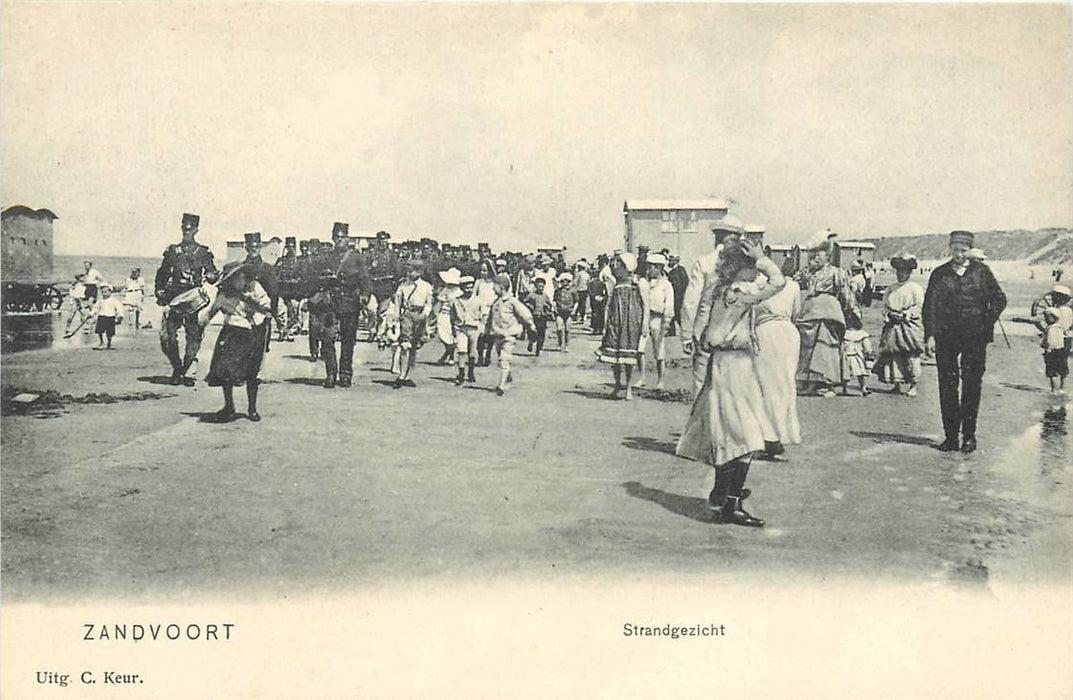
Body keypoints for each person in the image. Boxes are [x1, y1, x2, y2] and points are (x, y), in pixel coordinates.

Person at [675, 238, 786, 527]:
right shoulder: (740, 290)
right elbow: (778, 281)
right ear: (743, 267)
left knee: (727, 430)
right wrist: (763, 258)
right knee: (746, 434)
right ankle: (732, 504)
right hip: (735, 364)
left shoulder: (723, 289)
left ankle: (722, 492)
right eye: (752, 267)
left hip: (725, 363)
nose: (757, 274)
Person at [923, 230, 1008, 453]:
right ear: (949, 248)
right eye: (955, 250)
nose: (959, 255)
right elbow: (929, 307)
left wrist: (985, 321)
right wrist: (930, 336)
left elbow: (1000, 299)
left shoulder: (982, 272)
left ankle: (969, 436)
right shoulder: (939, 274)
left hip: (974, 338)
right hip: (946, 337)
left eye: (963, 250)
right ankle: (951, 437)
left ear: (969, 250)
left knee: (972, 384)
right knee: (947, 385)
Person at [680, 216, 745, 397]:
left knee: (702, 383)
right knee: (732, 385)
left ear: (717, 237)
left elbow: (691, 300)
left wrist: (686, 334)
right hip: (737, 330)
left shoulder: (705, 262)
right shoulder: (749, 264)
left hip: (707, 327)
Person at [201, 263, 272, 422]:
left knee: (252, 373)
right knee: (227, 372)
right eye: (235, 277)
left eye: (240, 276)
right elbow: (212, 312)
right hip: (232, 332)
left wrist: (252, 300)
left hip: (253, 332)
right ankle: (229, 406)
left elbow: (267, 306)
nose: (239, 279)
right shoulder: (225, 294)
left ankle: (252, 409)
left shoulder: (254, 286)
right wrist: (200, 323)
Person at [155, 212, 219, 385]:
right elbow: (162, 273)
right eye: (184, 229)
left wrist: (212, 276)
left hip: (194, 300)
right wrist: (159, 289)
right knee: (167, 338)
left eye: (190, 229)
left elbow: (212, 273)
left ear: (196, 230)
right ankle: (177, 368)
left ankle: (186, 371)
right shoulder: (172, 251)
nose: (186, 232)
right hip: (174, 297)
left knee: (194, 337)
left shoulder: (203, 252)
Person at [754, 257, 802, 459]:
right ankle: (777, 437)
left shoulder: (759, 286)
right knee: (783, 385)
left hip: (765, 332)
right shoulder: (793, 287)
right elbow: (796, 313)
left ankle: (768, 437)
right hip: (787, 333)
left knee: (765, 385)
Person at [794, 240, 855, 397]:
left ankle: (829, 384)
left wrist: (847, 311)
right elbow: (794, 282)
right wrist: (807, 269)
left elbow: (846, 295)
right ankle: (810, 382)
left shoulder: (836, 272)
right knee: (808, 347)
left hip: (829, 312)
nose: (815, 257)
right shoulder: (808, 272)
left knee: (826, 346)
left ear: (827, 255)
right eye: (812, 254)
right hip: (809, 312)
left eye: (819, 254)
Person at [319, 222, 372, 388]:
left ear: (348, 238)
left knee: (348, 341)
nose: (339, 240)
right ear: (333, 238)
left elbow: (365, 280)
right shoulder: (326, 257)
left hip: (350, 302)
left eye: (342, 237)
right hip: (330, 303)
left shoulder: (356, 257)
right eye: (336, 237)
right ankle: (331, 373)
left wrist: (364, 295)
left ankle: (345, 374)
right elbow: (317, 279)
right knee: (327, 339)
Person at [597, 253, 647, 401]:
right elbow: (609, 305)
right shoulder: (614, 283)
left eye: (619, 263)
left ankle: (629, 387)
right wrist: (606, 324)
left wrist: (644, 324)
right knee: (615, 358)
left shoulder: (638, 282)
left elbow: (646, 305)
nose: (615, 266)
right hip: (615, 322)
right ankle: (618, 385)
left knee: (628, 357)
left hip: (631, 323)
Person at [873, 256, 926, 397]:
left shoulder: (915, 288)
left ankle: (913, 385)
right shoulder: (891, 288)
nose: (901, 274)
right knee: (893, 354)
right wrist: (889, 314)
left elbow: (920, 306)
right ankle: (896, 383)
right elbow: (884, 305)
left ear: (909, 272)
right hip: (892, 324)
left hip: (908, 324)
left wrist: (906, 314)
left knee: (911, 353)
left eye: (904, 271)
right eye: (899, 271)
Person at [485, 273, 537, 396]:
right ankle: (508, 379)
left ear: (502, 288)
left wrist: (531, 326)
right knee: (501, 359)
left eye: (495, 286)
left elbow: (525, 314)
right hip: (497, 334)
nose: (493, 288)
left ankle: (501, 386)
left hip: (509, 335)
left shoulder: (512, 301)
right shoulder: (496, 302)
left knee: (504, 359)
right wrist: (487, 331)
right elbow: (491, 318)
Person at [392, 258, 434, 388]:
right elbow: (398, 300)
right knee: (405, 345)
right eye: (407, 271)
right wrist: (396, 315)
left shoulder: (426, 286)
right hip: (407, 315)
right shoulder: (403, 285)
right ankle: (401, 375)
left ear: (419, 272)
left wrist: (425, 315)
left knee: (414, 346)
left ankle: (407, 375)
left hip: (420, 316)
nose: (409, 274)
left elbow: (429, 303)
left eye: (411, 271)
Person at [641, 253, 675, 390]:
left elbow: (669, 304)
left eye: (652, 267)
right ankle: (641, 377)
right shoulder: (644, 283)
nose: (649, 270)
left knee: (659, 351)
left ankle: (660, 380)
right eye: (648, 267)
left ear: (659, 268)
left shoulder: (666, 285)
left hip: (658, 319)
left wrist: (667, 321)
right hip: (645, 317)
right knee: (640, 348)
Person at [450, 275, 484, 385]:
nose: (469, 290)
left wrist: (482, 327)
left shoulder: (478, 300)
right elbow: (452, 316)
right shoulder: (456, 301)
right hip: (461, 328)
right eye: (466, 288)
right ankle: (461, 372)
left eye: (471, 287)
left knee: (472, 352)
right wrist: (453, 330)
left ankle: (471, 371)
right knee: (461, 350)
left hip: (474, 328)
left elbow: (483, 315)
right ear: (461, 288)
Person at [433, 268, 462, 365]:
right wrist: (436, 314)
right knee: (444, 336)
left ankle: (450, 356)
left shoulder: (459, 291)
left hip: (454, 315)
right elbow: (439, 303)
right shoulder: (445, 290)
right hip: (444, 315)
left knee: (453, 336)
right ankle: (447, 354)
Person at [1041, 302, 1072, 394]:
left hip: (1052, 352)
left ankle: (1054, 389)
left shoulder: (1050, 328)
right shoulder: (1060, 327)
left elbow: (1049, 340)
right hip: (1061, 350)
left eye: (1047, 317)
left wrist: (1046, 347)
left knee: (1052, 372)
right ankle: (1062, 388)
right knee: (1063, 370)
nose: (1046, 319)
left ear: (1052, 317)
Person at [473, 259, 498, 367]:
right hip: (480, 311)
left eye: (485, 270)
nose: (483, 273)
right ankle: (480, 356)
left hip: (491, 310)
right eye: (481, 270)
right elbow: (474, 295)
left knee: (490, 335)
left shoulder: (495, 283)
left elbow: (498, 295)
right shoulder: (478, 282)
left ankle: (488, 354)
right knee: (480, 335)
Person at [841, 316, 873, 396]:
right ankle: (863, 388)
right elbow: (867, 346)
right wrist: (868, 353)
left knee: (845, 373)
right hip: (857, 356)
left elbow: (841, 345)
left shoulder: (844, 333)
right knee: (860, 374)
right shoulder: (861, 334)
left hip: (846, 356)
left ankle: (844, 388)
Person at [525, 277, 554, 356]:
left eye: (542, 287)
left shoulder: (545, 296)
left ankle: (539, 349)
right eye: (539, 286)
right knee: (532, 332)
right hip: (533, 316)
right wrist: (530, 306)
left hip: (542, 317)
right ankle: (531, 342)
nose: (541, 288)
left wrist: (548, 308)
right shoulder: (531, 295)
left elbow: (550, 305)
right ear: (535, 286)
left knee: (541, 333)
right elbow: (525, 302)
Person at [93, 284, 124, 349]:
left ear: (110, 292)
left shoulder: (113, 300)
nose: (104, 294)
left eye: (105, 292)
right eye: (102, 292)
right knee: (100, 331)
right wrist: (91, 313)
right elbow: (95, 308)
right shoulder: (100, 301)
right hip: (101, 316)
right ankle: (101, 342)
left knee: (110, 332)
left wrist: (120, 315)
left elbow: (119, 307)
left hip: (110, 317)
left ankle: (109, 343)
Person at [553, 272, 576, 352]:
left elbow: (576, 301)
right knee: (559, 328)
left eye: (565, 281)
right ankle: (559, 344)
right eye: (562, 281)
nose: (563, 283)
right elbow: (554, 300)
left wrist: (574, 310)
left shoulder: (572, 291)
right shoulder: (557, 291)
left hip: (569, 312)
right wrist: (554, 308)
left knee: (567, 329)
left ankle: (566, 345)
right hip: (559, 311)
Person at [667, 254, 688, 337]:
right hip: (674, 296)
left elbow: (685, 282)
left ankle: (684, 330)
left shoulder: (681, 270)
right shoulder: (671, 272)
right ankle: (672, 331)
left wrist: (680, 292)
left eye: (670, 260)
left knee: (678, 314)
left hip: (679, 296)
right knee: (673, 313)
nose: (669, 262)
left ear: (675, 261)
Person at [587, 268, 608, 336]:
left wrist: (594, 296)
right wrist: (602, 297)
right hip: (601, 299)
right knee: (601, 314)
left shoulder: (591, 283)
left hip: (594, 300)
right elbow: (605, 292)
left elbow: (589, 292)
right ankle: (600, 329)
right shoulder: (602, 283)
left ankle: (595, 329)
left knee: (595, 314)